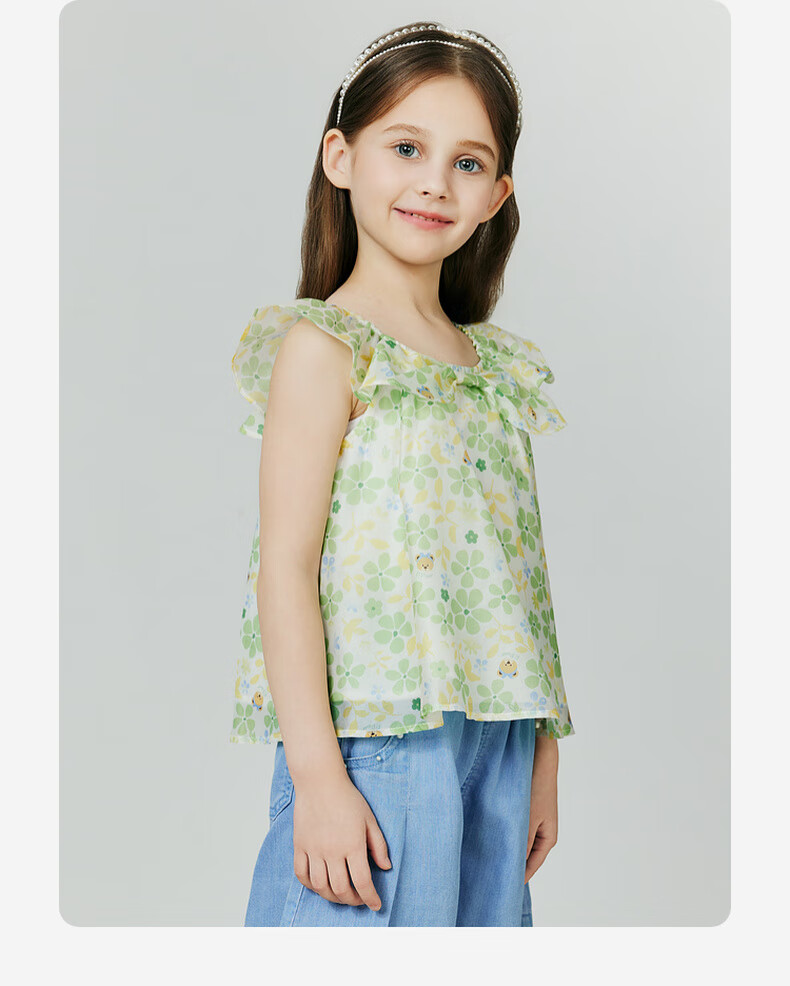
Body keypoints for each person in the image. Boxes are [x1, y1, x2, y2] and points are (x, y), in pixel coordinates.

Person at [229, 21, 575, 927]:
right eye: (407, 148)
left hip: (496, 739)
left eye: (469, 162)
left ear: (497, 194)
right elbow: (286, 567)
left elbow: (519, 572)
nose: (435, 182)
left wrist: (541, 750)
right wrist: (317, 775)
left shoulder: (493, 369)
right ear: (341, 158)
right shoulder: (326, 348)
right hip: (379, 736)